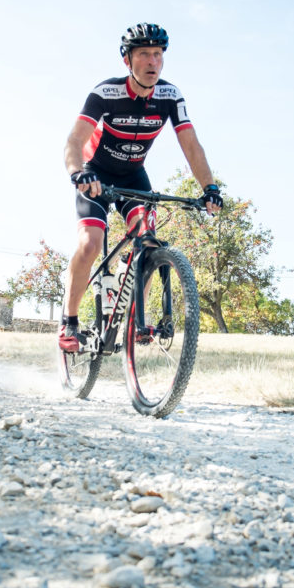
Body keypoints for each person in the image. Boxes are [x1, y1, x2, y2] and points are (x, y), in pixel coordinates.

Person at [59, 22, 223, 352]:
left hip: (134, 177)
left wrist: (210, 187)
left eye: (158, 55)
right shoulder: (106, 93)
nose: (153, 62)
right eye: (145, 54)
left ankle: (135, 317)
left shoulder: (169, 96)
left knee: (146, 241)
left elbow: (191, 146)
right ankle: (69, 322)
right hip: (95, 174)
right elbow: (74, 140)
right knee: (90, 244)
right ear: (128, 61)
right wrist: (78, 173)